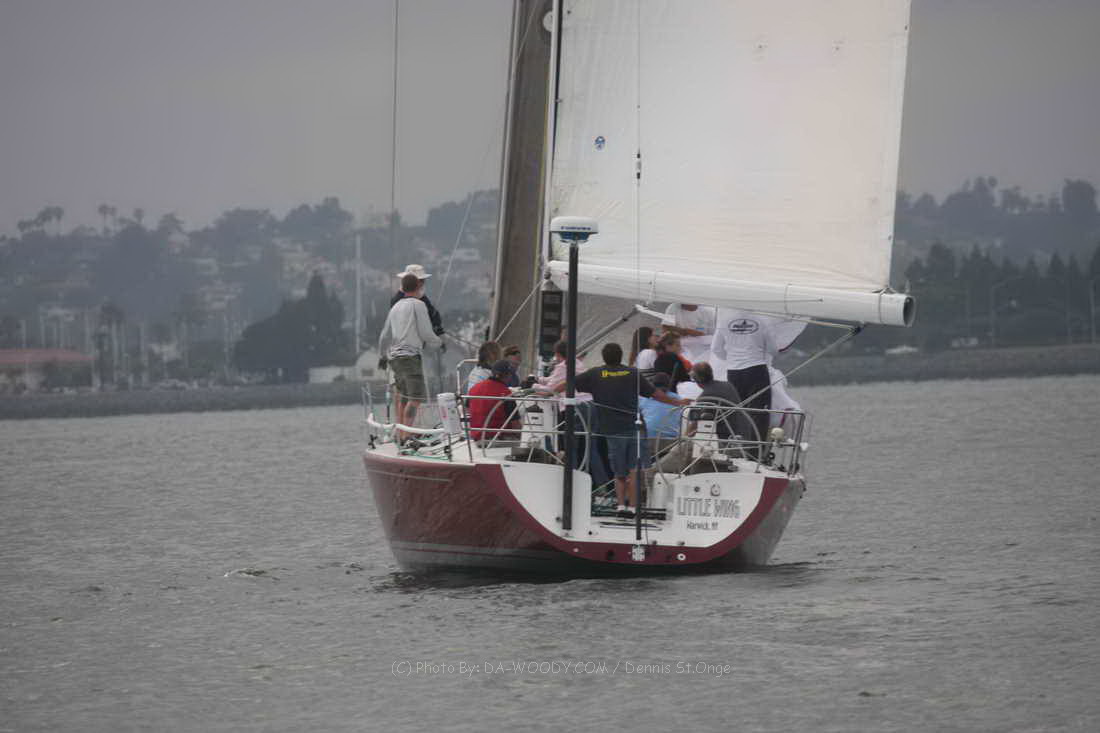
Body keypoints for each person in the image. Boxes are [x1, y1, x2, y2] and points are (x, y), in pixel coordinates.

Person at [568, 342, 688, 514]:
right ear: (620, 356)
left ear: (604, 358)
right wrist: (678, 402)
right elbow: (656, 394)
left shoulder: (595, 373)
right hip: (634, 428)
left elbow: (570, 382)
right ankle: (633, 507)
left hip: (612, 430)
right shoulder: (633, 373)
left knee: (619, 472)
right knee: (635, 470)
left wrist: (550, 391)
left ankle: (620, 506)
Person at [378, 273, 442, 442]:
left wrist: (382, 356)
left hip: (395, 359)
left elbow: (384, 336)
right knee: (415, 398)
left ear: (403, 288)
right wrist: (439, 342)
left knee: (404, 397)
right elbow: (426, 332)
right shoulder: (418, 305)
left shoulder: (395, 307)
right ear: (419, 286)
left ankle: (401, 434)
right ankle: (407, 437)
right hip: (410, 358)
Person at [710, 309, 777, 452]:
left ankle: (736, 449)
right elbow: (773, 349)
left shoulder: (724, 320)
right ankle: (755, 452)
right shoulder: (763, 320)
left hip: (733, 372)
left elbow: (715, 348)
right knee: (759, 412)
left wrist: (731, 359)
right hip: (756, 369)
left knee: (737, 411)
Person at [689, 360, 746, 444]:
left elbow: (695, 424)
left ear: (696, 380)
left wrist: (683, 438)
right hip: (743, 437)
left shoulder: (706, 396)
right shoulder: (728, 385)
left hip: (725, 441)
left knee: (682, 447)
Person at [467, 360, 521, 443]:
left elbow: (467, 409)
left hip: (476, 437)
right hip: (498, 439)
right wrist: (523, 436)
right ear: (507, 375)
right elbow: (515, 424)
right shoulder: (506, 393)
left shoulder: (474, 388)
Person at [390, 264, 444, 337]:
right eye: (421, 280)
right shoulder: (401, 300)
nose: (423, 283)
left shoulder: (419, 295)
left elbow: (432, 313)